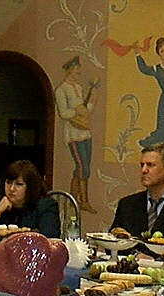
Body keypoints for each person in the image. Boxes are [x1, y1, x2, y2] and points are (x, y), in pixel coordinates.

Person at [54, 55, 99, 213]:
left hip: (84, 131)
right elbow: (63, 112)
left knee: (83, 167)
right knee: (82, 166)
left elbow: (85, 112)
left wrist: (91, 101)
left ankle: (73, 198)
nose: (78, 75)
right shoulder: (61, 90)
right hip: (73, 133)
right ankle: (83, 200)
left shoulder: (79, 88)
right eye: (76, 72)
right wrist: (76, 111)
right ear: (69, 71)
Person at [0, 160, 60, 237]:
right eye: (8, 182)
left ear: (30, 187)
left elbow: (49, 235)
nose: (11, 189)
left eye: (19, 184)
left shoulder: (46, 206)